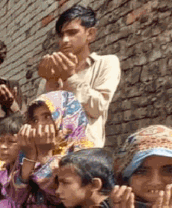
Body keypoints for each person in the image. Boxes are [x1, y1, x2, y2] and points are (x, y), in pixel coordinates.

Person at [38, 5, 121, 147]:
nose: (65, 40)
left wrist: (70, 77)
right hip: (54, 152)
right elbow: (39, 118)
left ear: (90, 34)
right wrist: (50, 83)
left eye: (72, 33)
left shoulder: (106, 63)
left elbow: (98, 107)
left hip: (86, 152)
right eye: (61, 35)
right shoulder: (51, 73)